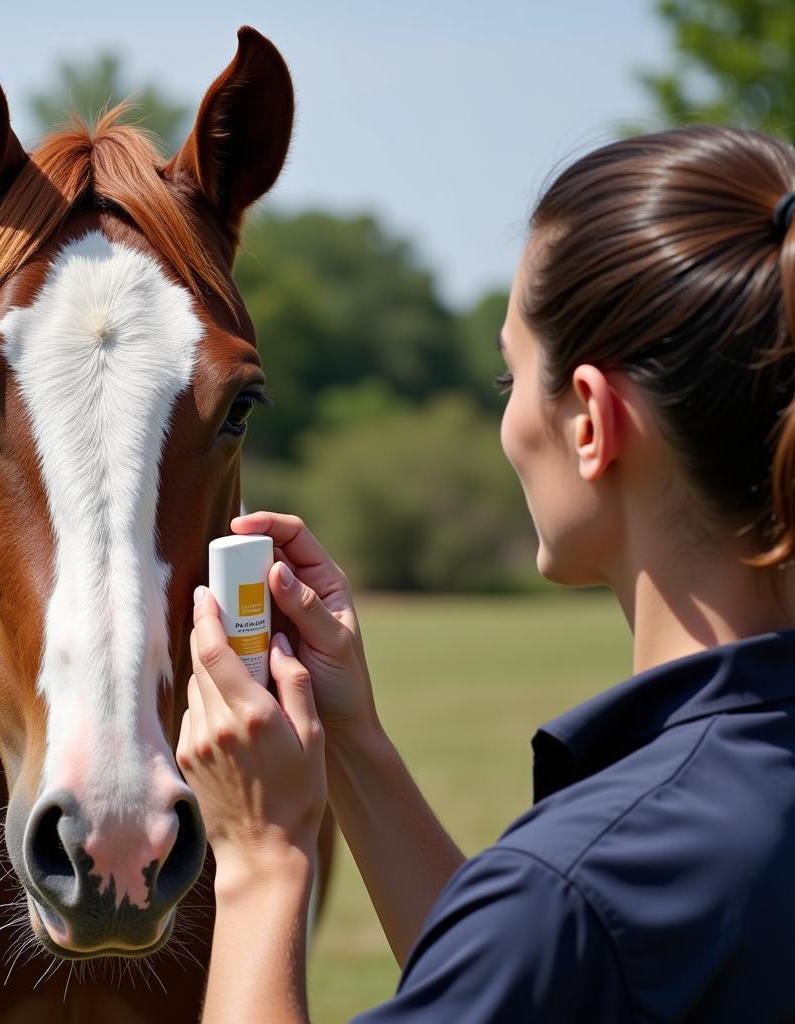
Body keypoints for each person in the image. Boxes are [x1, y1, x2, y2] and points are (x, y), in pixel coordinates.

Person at [175, 125, 795, 1023]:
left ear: (589, 421)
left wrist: (262, 861)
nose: (506, 426)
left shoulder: (579, 893)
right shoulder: (621, 883)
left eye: (511, 379)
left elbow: (554, 938)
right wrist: (356, 745)